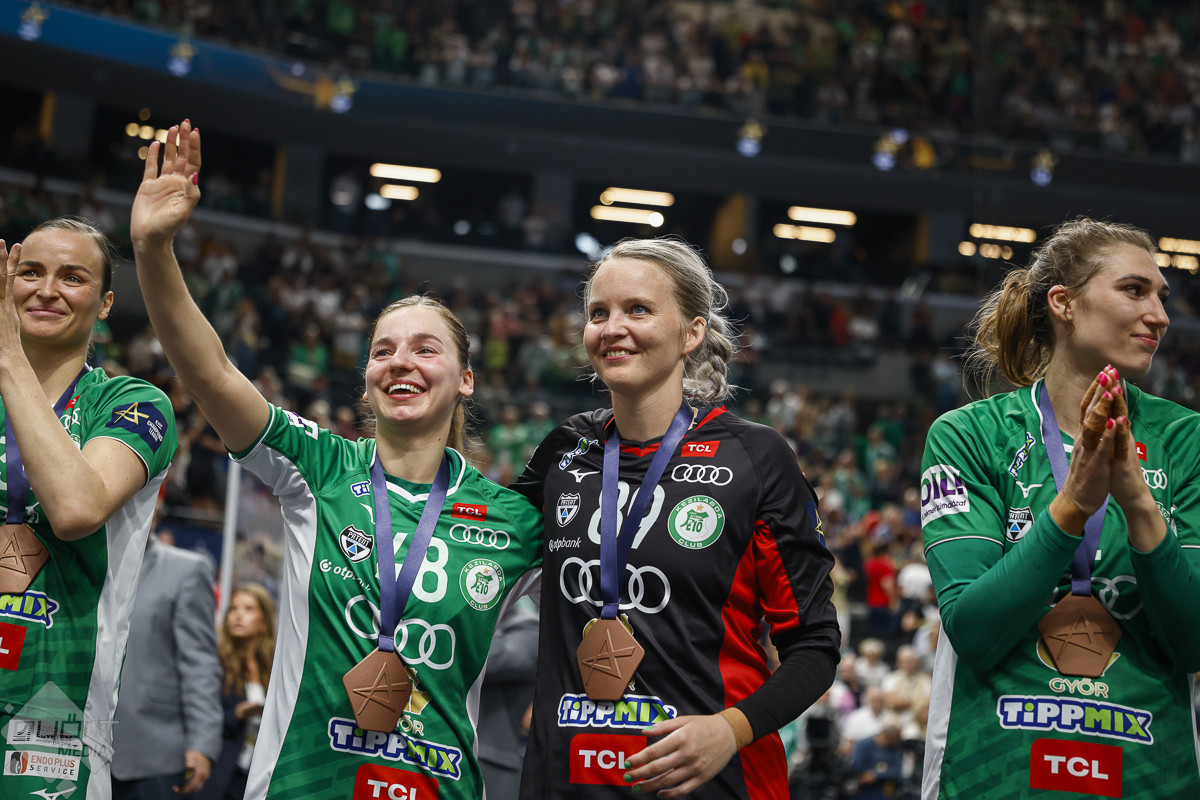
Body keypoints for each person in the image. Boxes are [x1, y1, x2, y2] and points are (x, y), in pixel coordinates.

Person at [130, 121, 544, 800]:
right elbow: (210, 373)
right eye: (383, 351)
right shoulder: (318, 468)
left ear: (466, 380)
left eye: (425, 349)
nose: (401, 362)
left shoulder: (517, 520)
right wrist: (153, 249)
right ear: (368, 378)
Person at [513, 237, 840, 798]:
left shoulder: (756, 458)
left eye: (638, 309)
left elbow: (814, 645)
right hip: (566, 784)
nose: (613, 328)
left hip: (712, 783)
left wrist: (730, 729)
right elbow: (471, 539)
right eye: (598, 313)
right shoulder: (565, 450)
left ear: (692, 333)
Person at [920, 217, 1200, 798]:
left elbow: (1194, 642)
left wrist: (1138, 504)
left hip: (1149, 777)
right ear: (1064, 303)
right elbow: (974, 630)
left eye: (1162, 296)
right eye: (1134, 290)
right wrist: (1072, 507)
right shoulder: (970, 435)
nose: (1160, 315)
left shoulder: (1186, 441)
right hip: (993, 774)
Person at [0, 218, 178, 798]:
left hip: (53, 712)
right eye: (31, 272)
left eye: (72, 277)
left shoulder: (132, 404)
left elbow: (76, 508)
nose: (47, 289)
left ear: (104, 304)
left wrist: (9, 359)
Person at [111, 533, 222, 798]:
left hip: (155, 753)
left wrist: (203, 742)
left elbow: (199, 663)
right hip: (76, 749)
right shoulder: (78, 560)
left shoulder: (187, 570)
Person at [197, 584, 277, 800]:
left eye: (248, 609)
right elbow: (197, 715)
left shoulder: (273, 668)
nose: (238, 615)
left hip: (256, 774)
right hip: (219, 772)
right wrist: (237, 714)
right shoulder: (216, 660)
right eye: (233, 608)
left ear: (263, 622)